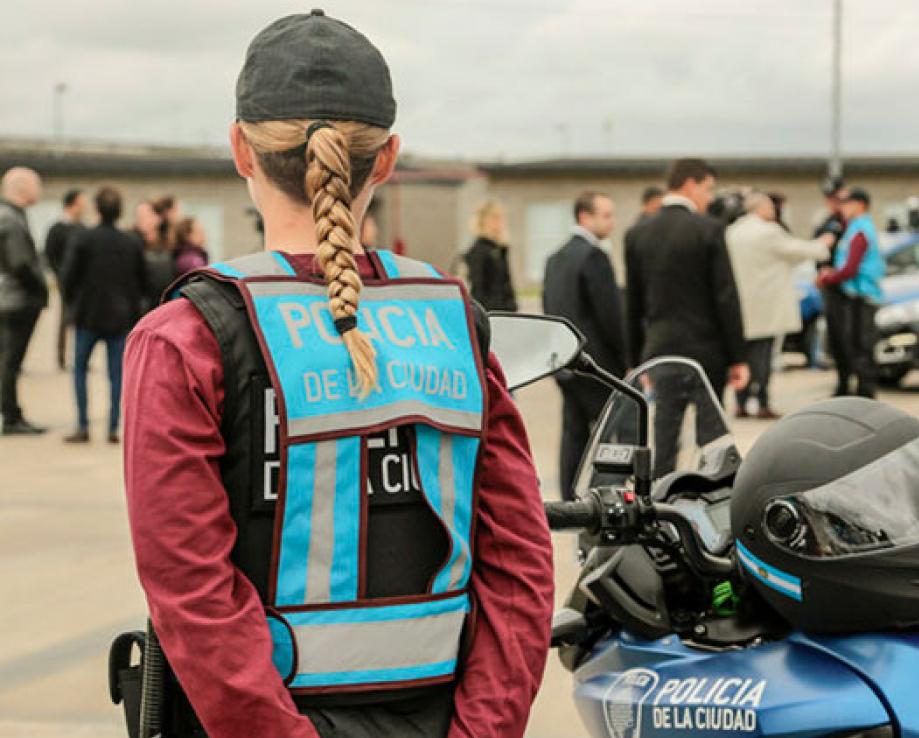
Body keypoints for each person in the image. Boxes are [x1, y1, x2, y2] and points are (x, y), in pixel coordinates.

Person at [121, 10, 553, 738]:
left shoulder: (186, 337)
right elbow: (520, 564)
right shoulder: (456, 322)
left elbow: (191, 592)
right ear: (385, 160)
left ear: (241, 149)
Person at [624, 158, 749, 476]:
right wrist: (738, 357)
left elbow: (633, 305)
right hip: (707, 352)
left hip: (661, 350)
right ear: (690, 185)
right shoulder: (709, 229)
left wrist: (635, 360)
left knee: (665, 436)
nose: (710, 197)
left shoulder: (637, 234)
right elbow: (726, 297)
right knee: (712, 441)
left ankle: (659, 496)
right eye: (708, 188)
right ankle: (711, 498)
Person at [543, 191, 625, 497]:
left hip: (564, 360)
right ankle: (606, 496)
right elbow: (610, 316)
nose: (612, 222)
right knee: (612, 434)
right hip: (596, 364)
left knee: (574, 434)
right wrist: (626, 359)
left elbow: (549, 309)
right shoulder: (594, 257)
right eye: (606, 215)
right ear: (584, 217)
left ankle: (569, 499)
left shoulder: (555, 258)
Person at [726, 190, 831, 418]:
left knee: (741, 355)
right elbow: (797, 250)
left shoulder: (732, 232)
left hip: (740, 306)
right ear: (760, 208)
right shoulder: (768, 231)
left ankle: (741, 401)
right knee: (763, 356)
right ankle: (762, 401)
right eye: (770, 207)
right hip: (766, 305)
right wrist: (823, 243)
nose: (774, 211)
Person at [60, 187, 145, 444]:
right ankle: (113, 427)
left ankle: (83, 425)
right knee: (117, 375)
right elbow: (142, 281)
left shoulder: (82, 239)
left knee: (80, 370)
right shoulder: (131, 242)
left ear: (97, 209)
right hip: (120, 318)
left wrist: (74, 304)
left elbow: (67, 278)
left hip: (87, 315)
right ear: (119, 211)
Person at [818, 188, 883, 398]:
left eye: (847, 203)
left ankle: (866, 394)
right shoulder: (853, 227)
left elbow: (850, 268)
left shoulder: (861, 230)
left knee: (861, 348)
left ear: (860, 205)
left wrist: (828, 277)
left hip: (862, 296)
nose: (843, 208)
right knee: (853, 347)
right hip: (854, 295)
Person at [0, 167, 47, 435]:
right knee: (10, 362)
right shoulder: (10, 219)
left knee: (8, 361)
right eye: (36, 184)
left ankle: (11, 414)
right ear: (22, 188)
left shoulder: (11, 216)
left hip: (11, 298)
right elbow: (20, 263)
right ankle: (11, 417)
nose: (39, 190)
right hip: (17, 300)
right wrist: (39, 288)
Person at [44, 188, 87, 370]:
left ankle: (81, 359)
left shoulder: (82, 229)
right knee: (64, 320)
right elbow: (50, 255)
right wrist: (61, 275)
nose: (84, 207)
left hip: (82, 284)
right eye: (81, 203)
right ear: (72, 204)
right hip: (66, 282)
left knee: (82, 322)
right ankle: (61, 358)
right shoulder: (56, 229)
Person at [813, 177, 849, 382]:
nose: (832, 202)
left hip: (848, 287)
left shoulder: (851, 223)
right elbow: (818, 249)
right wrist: (820, 272)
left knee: (849, 338)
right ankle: (842, 380)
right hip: (831, 286)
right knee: (836, 336)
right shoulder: (827, 222)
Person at [463, 200, 517, 312]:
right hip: (491, 313)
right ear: (482, 221)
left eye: (501, 218)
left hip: (505, 313)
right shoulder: (478, 251)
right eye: (494, 218)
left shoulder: (500, 249)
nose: (499, 223)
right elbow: (478, 291)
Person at [134, 201, 175, 310]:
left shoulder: (170, 243)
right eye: (138, 217)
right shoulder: (132, 243)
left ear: (158, 218)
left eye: (145, 216)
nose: (140, 220)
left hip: (163, 304)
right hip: (140, 307)